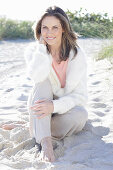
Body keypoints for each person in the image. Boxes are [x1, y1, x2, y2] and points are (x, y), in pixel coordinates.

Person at [1, 6, 88, 162]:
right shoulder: (33, 51)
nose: (49, 32)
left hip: (62, 109)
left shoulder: (76, 55)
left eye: (55, 27)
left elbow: (80, 96)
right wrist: (41, 50)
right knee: (43, 82)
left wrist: (54, 106)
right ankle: (45, 142)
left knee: (81, 115)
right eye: (45, 27)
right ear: (39, 30)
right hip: (40, 103)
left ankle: (32, 128)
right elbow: (37, 77)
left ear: (63, 29)